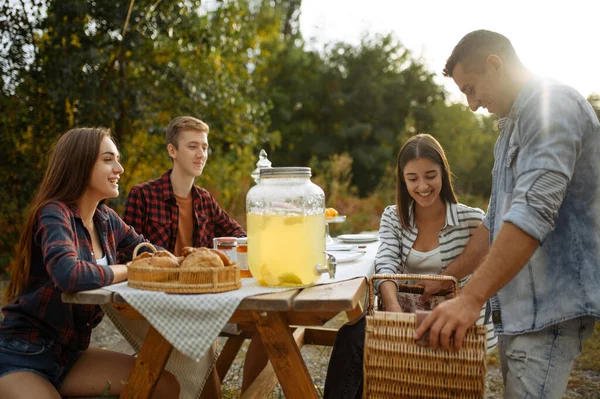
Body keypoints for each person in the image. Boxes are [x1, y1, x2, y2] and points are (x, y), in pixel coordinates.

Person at [414, 30, 600, 399]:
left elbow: (534, 210)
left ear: (494, 64)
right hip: (516, 310)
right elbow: (495, 220)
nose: (470, 103)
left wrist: (471, 300)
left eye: (470, 88)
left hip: (550, 308)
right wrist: (449, 280)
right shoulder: (508, 130)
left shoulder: (554, 106)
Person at [0, 128, 179, 398]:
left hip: (70, 355)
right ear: (80, 164)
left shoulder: (106, 220)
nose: (119, 168)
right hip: (22, 353)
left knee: (164, 385)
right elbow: (69, 275)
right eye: (108, 159)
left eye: (117, 159)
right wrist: (130, 270)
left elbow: (154, 253)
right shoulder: (54, 213)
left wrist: (188, 260)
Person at [323, 133, 496, 399]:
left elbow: (489, 265)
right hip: (401, 311)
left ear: (443, 174)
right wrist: (392, 309)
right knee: (351, 337)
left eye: (430, 175)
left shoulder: (471, 220)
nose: (423, 186)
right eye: (413, 178)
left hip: (447, 319)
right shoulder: (394, 216)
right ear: (403, 181)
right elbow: (387, 261)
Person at [119, 116, 264, 394]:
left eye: (205, 147)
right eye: (193, 146)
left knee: (268, 325)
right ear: (172, 151)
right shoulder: (143, 195)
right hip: (159, 303)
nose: (201, 154)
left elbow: (239, 235)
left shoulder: (204, 199)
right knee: (202, 381)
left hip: (204, 298)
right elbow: (128, 256)